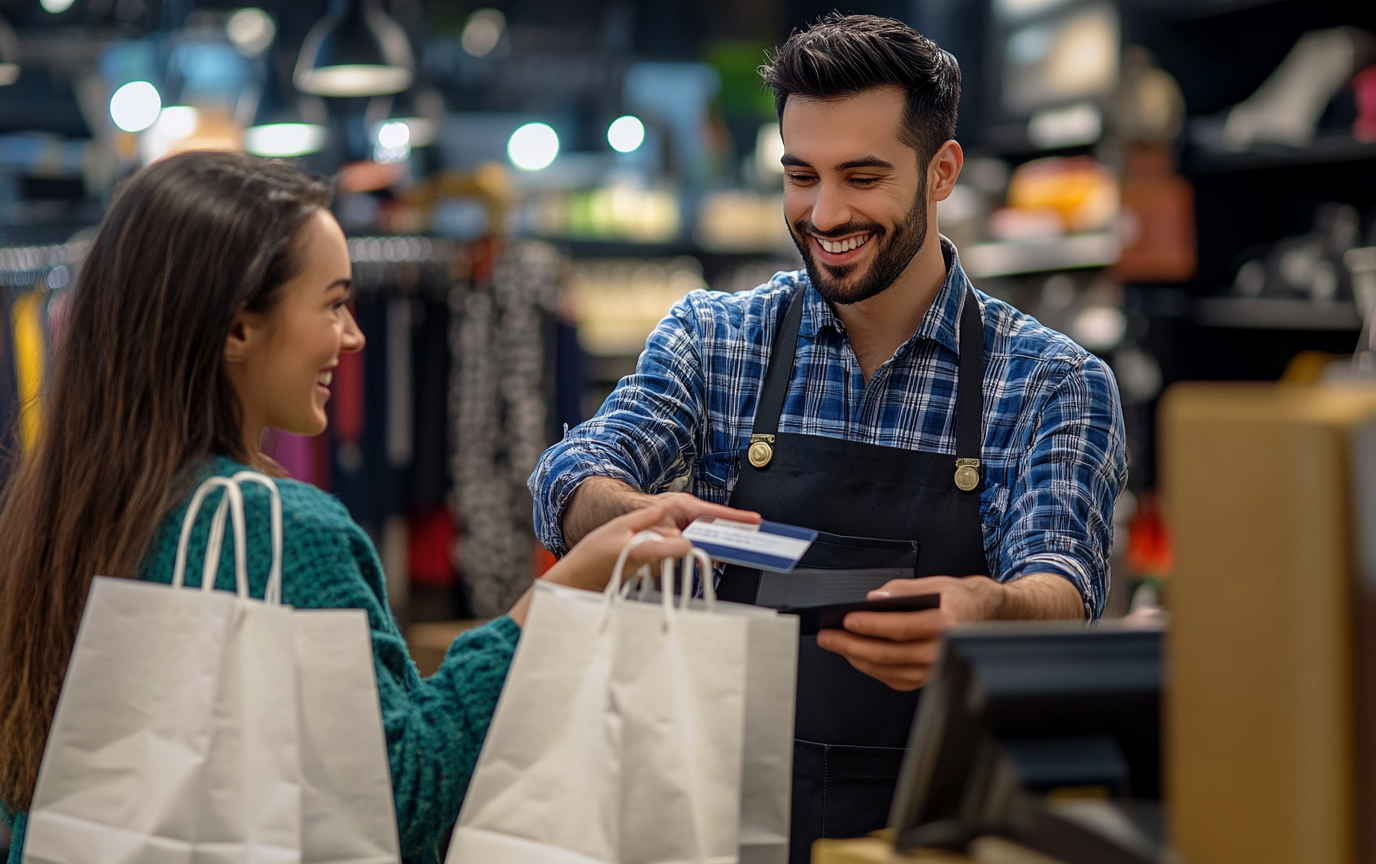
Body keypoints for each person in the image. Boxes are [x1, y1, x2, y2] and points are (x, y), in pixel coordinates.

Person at [530, 14, 1127, 862]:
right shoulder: (716, 339)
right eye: (801, 176)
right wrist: (638, 516)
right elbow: (568, 476)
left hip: (937, 834)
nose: (825, 212)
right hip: (716, 824)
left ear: (942, 171)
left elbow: (1063, 584)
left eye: (862, 176)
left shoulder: (1051, 382)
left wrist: (989, 615)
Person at [0, 151, 697, 864]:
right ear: (238, 328)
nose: (355, 336)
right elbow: (400, 794)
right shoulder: (281, 531)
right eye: (333, 304)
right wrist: (564, 591)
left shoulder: (64, 516)